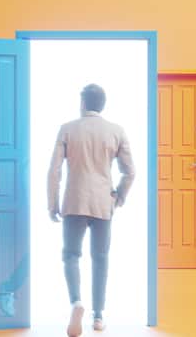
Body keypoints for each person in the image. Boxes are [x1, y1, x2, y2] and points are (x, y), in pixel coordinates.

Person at [47, 84, 135, 337]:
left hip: (74, 201)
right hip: (102, 203)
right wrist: (119, 196)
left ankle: (76, 302)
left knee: (71, 255)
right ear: (102, 104)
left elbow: (54, 171)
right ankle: (98, 316)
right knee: (101, 258)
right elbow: (130, 172)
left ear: (83, 103)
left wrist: (52, 203)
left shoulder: (67, 129)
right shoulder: (116, 131)